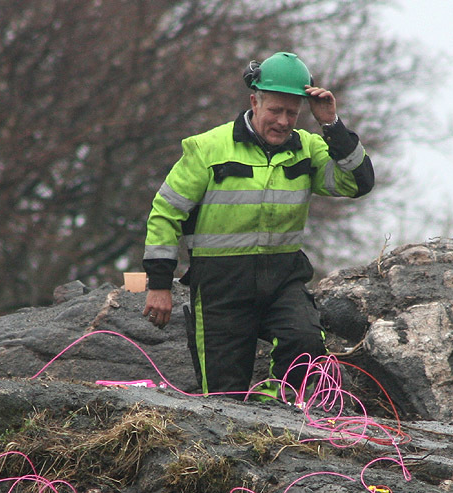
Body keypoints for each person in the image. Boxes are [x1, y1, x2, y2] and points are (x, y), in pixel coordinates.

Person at [141, 51, 374, 399]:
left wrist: (332, 125)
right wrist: (158, 285)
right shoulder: (207, 149)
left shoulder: (309, 149)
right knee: (223, 398)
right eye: (275, 111)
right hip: (220, 285)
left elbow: (359, 182)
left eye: (292, 113)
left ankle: (269, 403)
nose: (283, 121)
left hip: (283, 279)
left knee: (306, 343)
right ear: (254, 101)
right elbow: (165, 213)